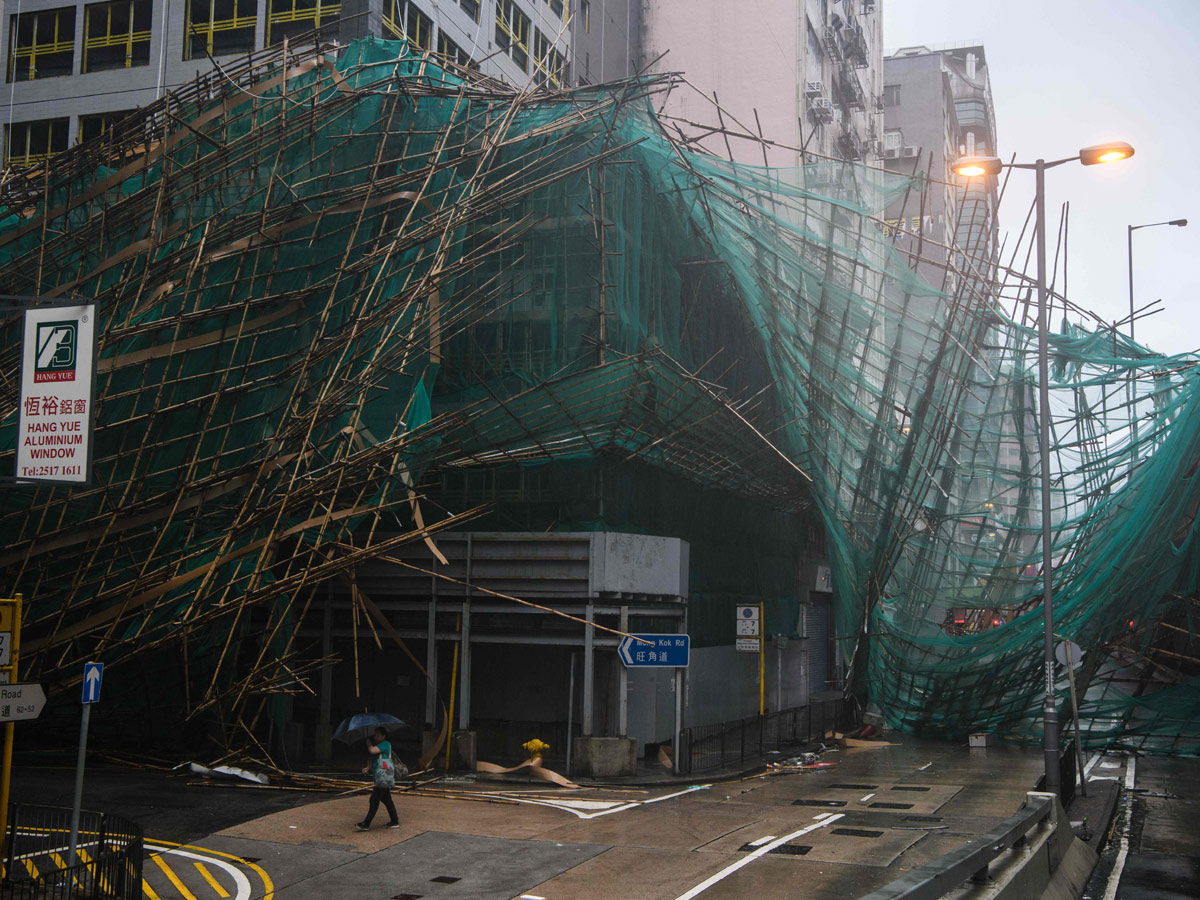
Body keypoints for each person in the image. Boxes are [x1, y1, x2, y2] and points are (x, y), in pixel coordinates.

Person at [355, 726, 399, 830]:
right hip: (380, 777)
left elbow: (372, 751)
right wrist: (368, 768)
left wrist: (368, 743)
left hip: (383, 778)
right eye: (375, 735)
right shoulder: (379, 745)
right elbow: (376, 759)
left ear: (384, 736)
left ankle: (366, 823)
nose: (375, 737)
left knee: (374, 799)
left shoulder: (385, 744)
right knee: (387, 800)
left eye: (378, 735)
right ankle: (394, 821)